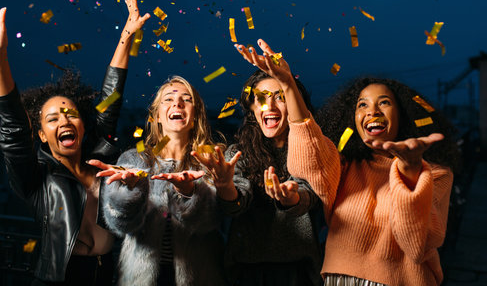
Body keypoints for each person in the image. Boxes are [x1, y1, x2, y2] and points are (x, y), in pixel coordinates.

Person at [0, 0, 150, 285]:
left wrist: (126, 36)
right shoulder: (36, 178)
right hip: (60, 278)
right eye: (52, 119)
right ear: (42, 135)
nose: (64, 120)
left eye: (70, 114)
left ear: (83, 126)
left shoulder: (101, 160)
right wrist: (0, 58)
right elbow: (14, 130)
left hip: (109, 273)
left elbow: (111, 97)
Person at [286, 75, 458, 286]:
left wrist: (411, 171)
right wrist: (287, 85)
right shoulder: (342, 166)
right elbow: (307, 154)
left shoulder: (435, 174)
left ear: (403, 113)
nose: (372, 111)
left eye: (384, 102)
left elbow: (415, 245)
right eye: (362, 104)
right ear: (352, 117)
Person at [194, 39, 324, 285]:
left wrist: (292, 198)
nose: (270, 106)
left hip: (299, 272)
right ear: (252, 107)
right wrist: (224, 185)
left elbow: (312, 195)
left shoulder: (310, 148)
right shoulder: (238, 152)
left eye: (280, 97)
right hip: (247, 272)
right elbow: (236, 204)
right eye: (262, 98)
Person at [89, 75, 228, 286]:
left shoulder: (211, 162)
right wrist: (130, 192)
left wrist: (189, 191)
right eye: (168, 99)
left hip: (200, 277)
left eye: (186, 99)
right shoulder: (133, 159)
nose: (177, 103)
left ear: (196, 115)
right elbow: (120, 225)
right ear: (157, 116)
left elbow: (212, 222)